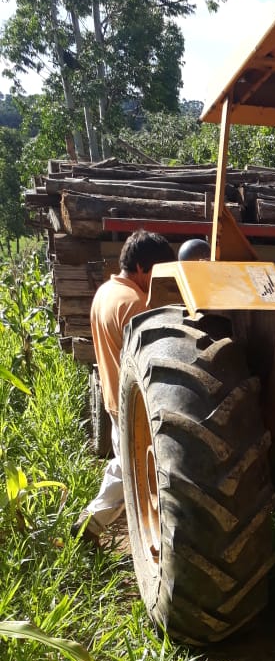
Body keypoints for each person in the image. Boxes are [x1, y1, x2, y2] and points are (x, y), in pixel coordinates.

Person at [73, 230, 175, 542]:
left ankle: (87, 525)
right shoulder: (134, 304)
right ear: (143, 268)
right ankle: (90, 527)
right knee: (135, 476)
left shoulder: (105, 293)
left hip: (115, 398)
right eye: (156, 272)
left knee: (123, 467)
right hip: (135, 407)